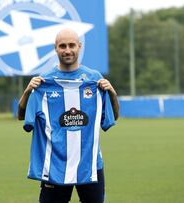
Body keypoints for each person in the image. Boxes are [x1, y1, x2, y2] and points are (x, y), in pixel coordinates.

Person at [18, 28, 119, 203]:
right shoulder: (43, 82)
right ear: (56, 48)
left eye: (71, 45)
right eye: (62, 46)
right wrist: (28, 92)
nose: (67, 50)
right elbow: (23, 117)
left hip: (90, 163)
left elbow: (111, 119)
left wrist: (112, 94)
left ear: (79, 47)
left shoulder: (94, 79)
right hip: (55, 165)